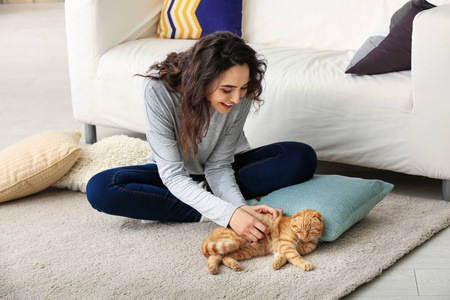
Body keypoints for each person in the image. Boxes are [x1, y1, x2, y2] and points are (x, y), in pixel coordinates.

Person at [86, 31, 317, 243]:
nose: (237, 99)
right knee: (101, 188)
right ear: (202, 79)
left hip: (221, 171)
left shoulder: (240, 94)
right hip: (171, 174)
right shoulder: (158, 89)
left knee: (300, 156)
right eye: (227, 90)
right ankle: (207, 205)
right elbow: (173, 175)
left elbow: (218, 165)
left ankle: (202, 200)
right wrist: (229, 214)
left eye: (243, 88)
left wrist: (237, 207)